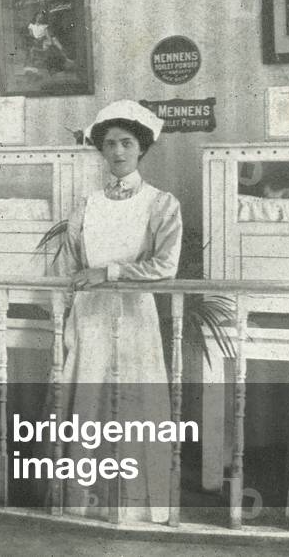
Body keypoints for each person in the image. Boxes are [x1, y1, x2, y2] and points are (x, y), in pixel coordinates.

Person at [50, 100, 181, 523]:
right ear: (101, 150)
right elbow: (70, 264)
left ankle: (137, 510)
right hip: (89, 318)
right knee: (88, 402)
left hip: (135, 316)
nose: (118, 152)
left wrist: (107, 272)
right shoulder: (85, 204)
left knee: (137, 403)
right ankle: (82, 505)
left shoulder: (161, 203)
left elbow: (165, 266)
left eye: (126, 143)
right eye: (110, 144)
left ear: (141, 148)